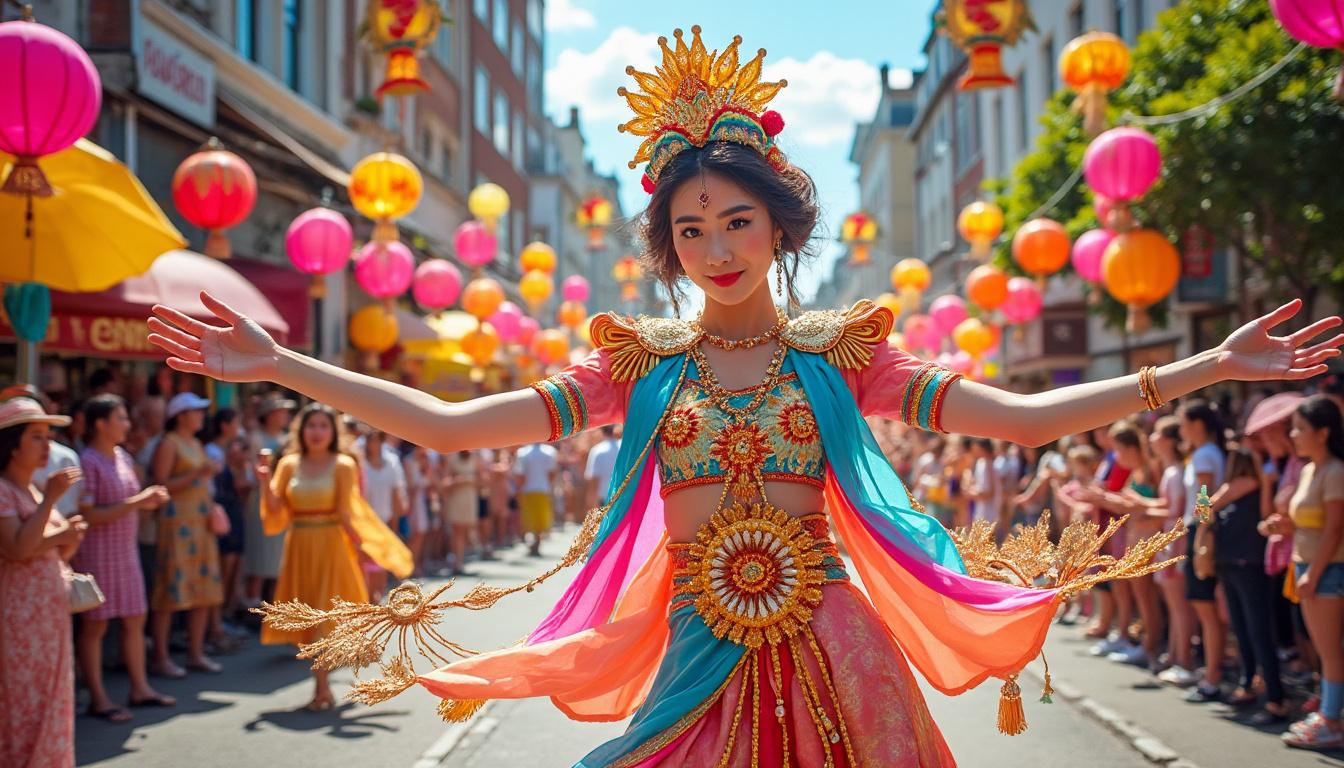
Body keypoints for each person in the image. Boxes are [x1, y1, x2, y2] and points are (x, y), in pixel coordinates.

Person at [147, 26, 1344, 765]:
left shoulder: (844, 355)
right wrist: (285, 363)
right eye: (689, 227)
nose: (715, 242)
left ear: (778, 227)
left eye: (737, 219)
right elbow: (453, 424)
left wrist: (1204, 367)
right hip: (696, 650)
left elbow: (1025, 419)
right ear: (667, 249)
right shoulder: (636, 365)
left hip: (837, 642)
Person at [257, 403, 410, 711]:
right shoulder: (287, 464)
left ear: (333, 432)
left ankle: (321, 685)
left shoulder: (343, 465)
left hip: (333, 546)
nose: (316, 432)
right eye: (311, 426)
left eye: (323, 426)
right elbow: (276, 511)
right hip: (299, 546)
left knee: (329, 617)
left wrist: (366, 549)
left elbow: (347, 514)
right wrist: (263, 480)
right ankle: (323, 683)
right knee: (307, 617)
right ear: (301, 430)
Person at [75, 395, 175, 722]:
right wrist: (138, 502)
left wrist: (146, 501)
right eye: (121, 417)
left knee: (135, 619)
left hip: (125, 551)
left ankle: (140, 687)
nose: (127, 424)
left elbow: (132, 499)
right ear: (100, 423)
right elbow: (89, 516)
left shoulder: (122, 456)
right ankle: (99, 698)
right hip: (98, 553)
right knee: (96, 625)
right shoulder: (87, 461)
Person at [0, 397, 86, 768]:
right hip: (19, 617)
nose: (47, 446)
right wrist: (55, 511)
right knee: (23, 698)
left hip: (46, 615)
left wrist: (66, 539)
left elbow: (45, 553)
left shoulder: (31, 490)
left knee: (49, 696)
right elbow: (18, 549)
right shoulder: (6, 490)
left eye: (48, 436)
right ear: (12, 444)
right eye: (36, 436)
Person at [1266, 396, 1344, 748]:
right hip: (1306, 567)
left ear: (1323, 433)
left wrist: (1314, 572)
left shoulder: (1335, 472)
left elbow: (1334, 530)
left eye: (1299, 428)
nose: (1293, 435)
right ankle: (1328, 713)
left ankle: (1330, 720)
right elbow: (1308, 525)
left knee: (1329, 650)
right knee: (1320, 647)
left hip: (1326, 571)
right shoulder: (1311, 469)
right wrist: (1282, 526)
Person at [1207, 447, 1288, 724]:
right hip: (1230, 562)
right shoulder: (1228, 489)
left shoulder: (1250, 485)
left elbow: (1203, 505)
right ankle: (1248, 684)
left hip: (1249, 564)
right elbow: (1201, 508)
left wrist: (1262, 483)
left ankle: (1276, 698)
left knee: (1258, 631)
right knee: (1241, 629)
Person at [149, 391, 223, 677]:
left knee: (204, 589)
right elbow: (161, 485)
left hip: (200, 521)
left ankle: (195, 653)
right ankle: (161, 657)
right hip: (176, 523)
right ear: (180, 416)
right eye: (196, 411)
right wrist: (197, 474)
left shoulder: (196, 443)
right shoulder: (169, 443)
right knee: (169, 590)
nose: (202, 416)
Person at [1178, 399, 1228, 702]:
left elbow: (1204, 496)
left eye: (1183, 423)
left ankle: (1212, 676)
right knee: (1204, 608)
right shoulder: (1205, 453)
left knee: (1206, 609)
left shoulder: (1205, 454)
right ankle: (1211, 672)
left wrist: (1202, 532)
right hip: (1199, 529)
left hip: (1201, 530)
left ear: (1197, 425)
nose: (1181, 429)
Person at [243, 396, 294, 611]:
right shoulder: (255, 438)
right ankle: (254, 603)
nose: (284, 415)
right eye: (280, 411)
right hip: (260, 501)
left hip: (283, 503)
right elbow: (248, 470)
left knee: (278, 556)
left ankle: (275, 605)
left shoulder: (288, 439)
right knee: (260, 554)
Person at [205, 408, 249, 651]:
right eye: (235, 421)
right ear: (224, 425)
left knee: (231, 571)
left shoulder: (226, 451)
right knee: (221, 573)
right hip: (221, 516)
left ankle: (223, 620)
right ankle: (215, 626)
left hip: (231, 514)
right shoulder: (212, 452)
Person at [359, 430, 407, 601]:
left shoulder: (392, 462)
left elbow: (396, 494)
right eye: (368, 439)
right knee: (368, 562)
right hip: (365, 523)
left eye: (374, 439)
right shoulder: (361, 464)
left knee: (382, 562)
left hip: (385, 520)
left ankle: (378, 597)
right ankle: (369, 598)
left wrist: (394, 524)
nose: (371, 443)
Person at [439, 449, 479, 576]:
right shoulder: (452, 460)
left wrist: (472, 480)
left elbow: (483, 480)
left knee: (465, 531)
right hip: (456, 499)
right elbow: (445, 482)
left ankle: (459, 560)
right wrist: (459, 480)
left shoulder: (475, 460)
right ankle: (457, 562)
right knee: (457, 531)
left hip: (469, 500)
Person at [514, 441, 557, 557]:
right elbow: (552, 474)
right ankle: (536, 540)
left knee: (531, 517)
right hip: (543, 489)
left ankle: (535, 540)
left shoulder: (522, 452)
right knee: (540, 517)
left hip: (529, 489)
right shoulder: (550, 452)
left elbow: (520, 475)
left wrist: (518, 489)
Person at [585, 425, 622, 510]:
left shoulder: (597, 451)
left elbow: (593, 482)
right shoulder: (624, 447)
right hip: (624, 499)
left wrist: (591, 507)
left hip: (604, 500)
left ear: (601, 431)